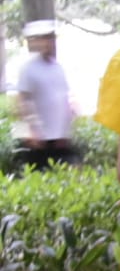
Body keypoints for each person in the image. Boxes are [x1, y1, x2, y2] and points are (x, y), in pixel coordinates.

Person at [13, 20, 78, 169]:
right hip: (38, 141)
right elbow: (20, 102)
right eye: (45, 38)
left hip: (60, 138)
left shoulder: (57, 67)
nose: (50, 42)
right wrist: (28, 132)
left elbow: (65, 99)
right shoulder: (27, 68)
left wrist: (68, 127)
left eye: (51, 38)